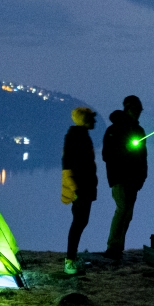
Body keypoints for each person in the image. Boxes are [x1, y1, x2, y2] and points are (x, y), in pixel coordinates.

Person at [101, 95, 148, 262]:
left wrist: (142, 176)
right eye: (135, 110)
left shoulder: (139, 131)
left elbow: (143, 156)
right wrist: (125, 153)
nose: (138, 113)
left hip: (134, 180)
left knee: (127, 213)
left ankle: (118, 247)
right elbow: (107, 155)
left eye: (139, 110)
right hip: (120, 178)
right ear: (127, 109)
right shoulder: (114, 130)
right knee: (122, 210)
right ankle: (112, 247)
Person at [60, 105, 98, 275]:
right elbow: (68, 165)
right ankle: (69, 261)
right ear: (85, 120)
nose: (95, 121)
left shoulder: (80, 136)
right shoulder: (76, 137)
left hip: (84, 186)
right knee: (78, 222)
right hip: (81, 187)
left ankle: (72, 258)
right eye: (92, 118)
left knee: (81, 221)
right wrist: (75, 188)